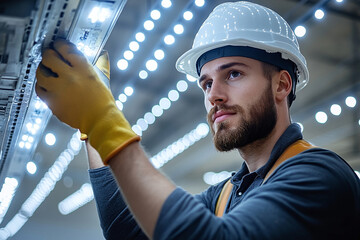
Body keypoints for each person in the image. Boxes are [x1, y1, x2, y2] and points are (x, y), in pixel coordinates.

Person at [35, 1, 360, 239]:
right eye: (206, 83)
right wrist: (93, 128)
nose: (213, 94)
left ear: (282, 84)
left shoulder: (320, 176)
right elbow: (128, 232)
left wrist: (104, 120)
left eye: (233, 73)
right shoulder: (227, 194)